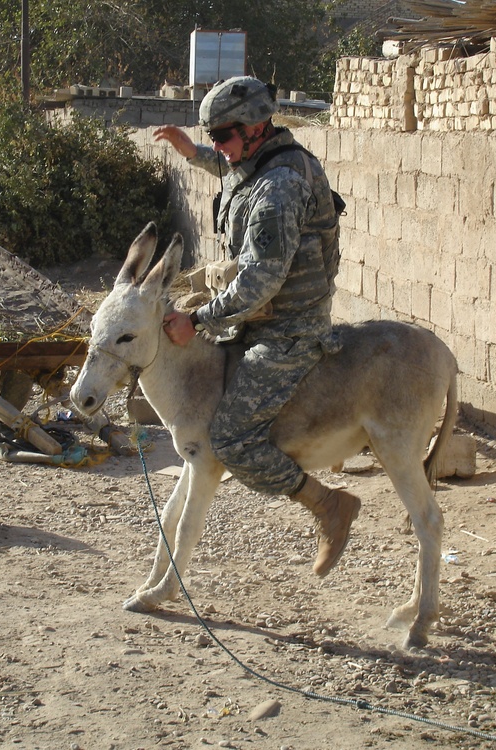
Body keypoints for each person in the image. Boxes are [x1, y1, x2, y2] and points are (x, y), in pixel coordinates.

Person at [154, 76, 360, 578]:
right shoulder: (256, 160)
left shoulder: (281, 187)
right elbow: (232, 171)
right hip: (254, 319)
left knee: (231, 441)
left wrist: (199, 320)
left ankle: (327, 506)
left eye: (224, 136)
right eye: (215, 136)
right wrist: (193, 152)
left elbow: (262, 278)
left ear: (258, 127)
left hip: (288, 329)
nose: (219, 146)